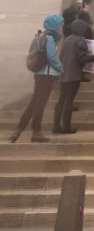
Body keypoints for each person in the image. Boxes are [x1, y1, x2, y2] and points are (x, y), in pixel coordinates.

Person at [10, 12, 63, 142]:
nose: (61, 26)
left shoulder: (39, 36)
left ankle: (21, 129)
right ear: (54, 25)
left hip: (39, 73)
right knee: (40, 103)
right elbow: (51, 57)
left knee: (35, 101)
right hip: (47, 75)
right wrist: (61, 68)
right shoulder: (50, 38)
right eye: (60, 24)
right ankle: (34, 131)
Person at [54, 18, 94, 134]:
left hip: (63, 74)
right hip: (74, 75)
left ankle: (56, 126)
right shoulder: (80, 40)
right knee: (69, 101)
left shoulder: (67, 40)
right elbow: (82, 58)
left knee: (61, 101)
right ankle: (66, 127)